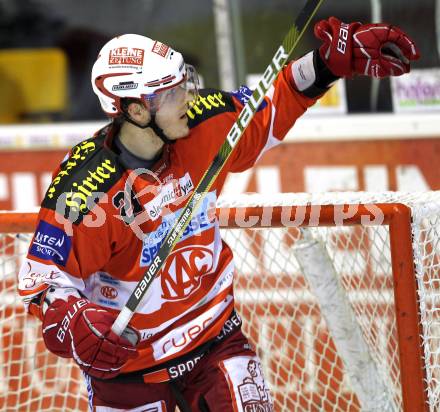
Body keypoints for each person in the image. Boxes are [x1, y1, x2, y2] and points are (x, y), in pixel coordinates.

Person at [18, 17, 419, 412]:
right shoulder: (87, 189)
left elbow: (270, 105)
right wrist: (72, 318)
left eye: (184, 84)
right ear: (137, 111)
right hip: (128, 368)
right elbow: (44, 278)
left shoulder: (203, 123)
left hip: (214, 341)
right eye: (173, 94)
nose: (188, 99)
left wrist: (327, 64)